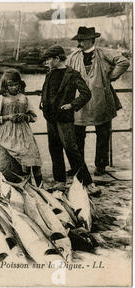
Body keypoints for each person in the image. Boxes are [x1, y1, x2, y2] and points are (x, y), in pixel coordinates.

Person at [67, 26, 130, 176]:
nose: (80, 43)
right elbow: (65, 72)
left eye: (82, 40)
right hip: (80, 101)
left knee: (103, 134)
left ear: (91, 40)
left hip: (101, 99)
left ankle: (101, 165)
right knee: (77, 135)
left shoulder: (103, 53)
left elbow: (124, 62)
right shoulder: (74, 57)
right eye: (79, 40)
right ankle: (78, 167)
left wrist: (110, 77)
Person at [40, 45, 100, 196]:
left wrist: (72, 105)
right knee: (54, 149)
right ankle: (59, 182)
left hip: (64, 118)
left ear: (57, 58)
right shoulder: (50, 74)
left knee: (72, 150)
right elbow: (46, 90)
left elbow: (86, 94)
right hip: (50, 117)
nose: (46, 62)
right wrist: (42, 101)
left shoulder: (72, 74)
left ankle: (88, 183)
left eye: (48, 59)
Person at [0, 70, 42, 185]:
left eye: (16, 84)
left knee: (33, 155)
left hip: (23, 131)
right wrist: (8, 117)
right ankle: (26, 183)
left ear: (20, 84)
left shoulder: (23, 98)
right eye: (10, 85)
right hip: (7, 131)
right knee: (22, 154)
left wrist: (25, 116)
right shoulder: (1, 99)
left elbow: (33, 116)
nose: (13, 87)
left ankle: (39, 185)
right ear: (5, 86)